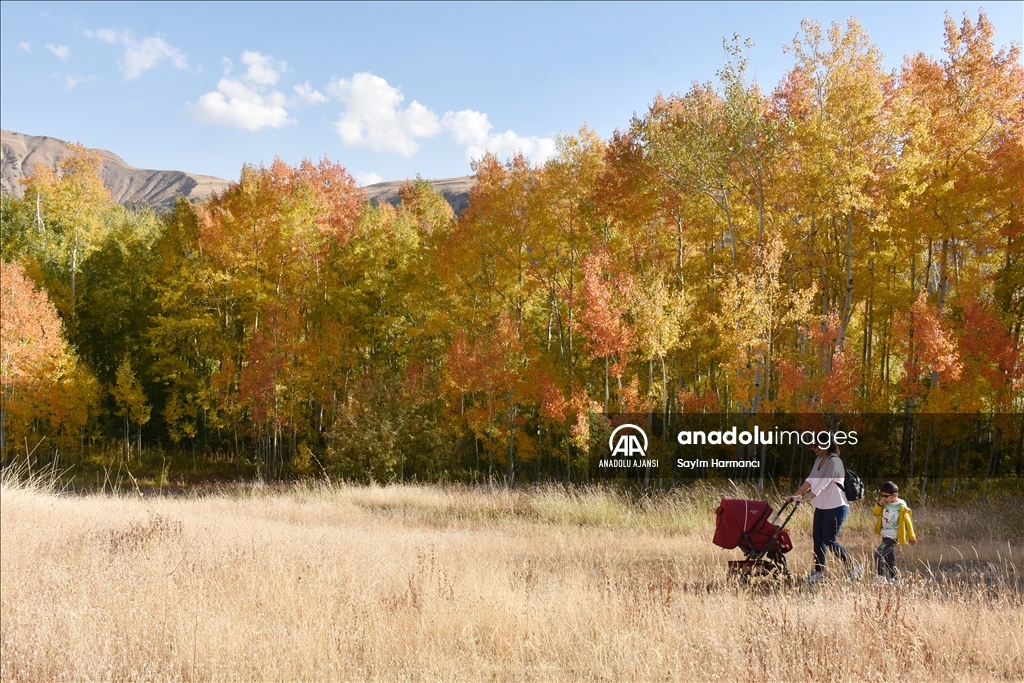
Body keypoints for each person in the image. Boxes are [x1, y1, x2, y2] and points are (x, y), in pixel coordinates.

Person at [787, 441, 862, 583]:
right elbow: (811, 480)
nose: (814, 448)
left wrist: (807, 499)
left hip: (837, 507)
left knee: (830, 540)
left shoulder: (835, 462)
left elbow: (824, 483)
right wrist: (797, 495)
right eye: (813, 445)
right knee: (818, 540)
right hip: (821, 507)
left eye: (817, 446)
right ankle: (818, 572)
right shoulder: (818, 460)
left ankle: (853, 567)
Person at [872, 481, 916, 584]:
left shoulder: (901, 506)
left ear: (895, 495)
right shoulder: (885, 504)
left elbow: (908, 523)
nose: (884, 498)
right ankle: (895, 579)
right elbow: (875, 512)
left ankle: (881, 577)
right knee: (889, 558)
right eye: (882, 495)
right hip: (885, 534)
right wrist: (879, 504)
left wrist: (911, 537)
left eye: (886, 496)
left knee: (879, 554)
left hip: (893, 536)